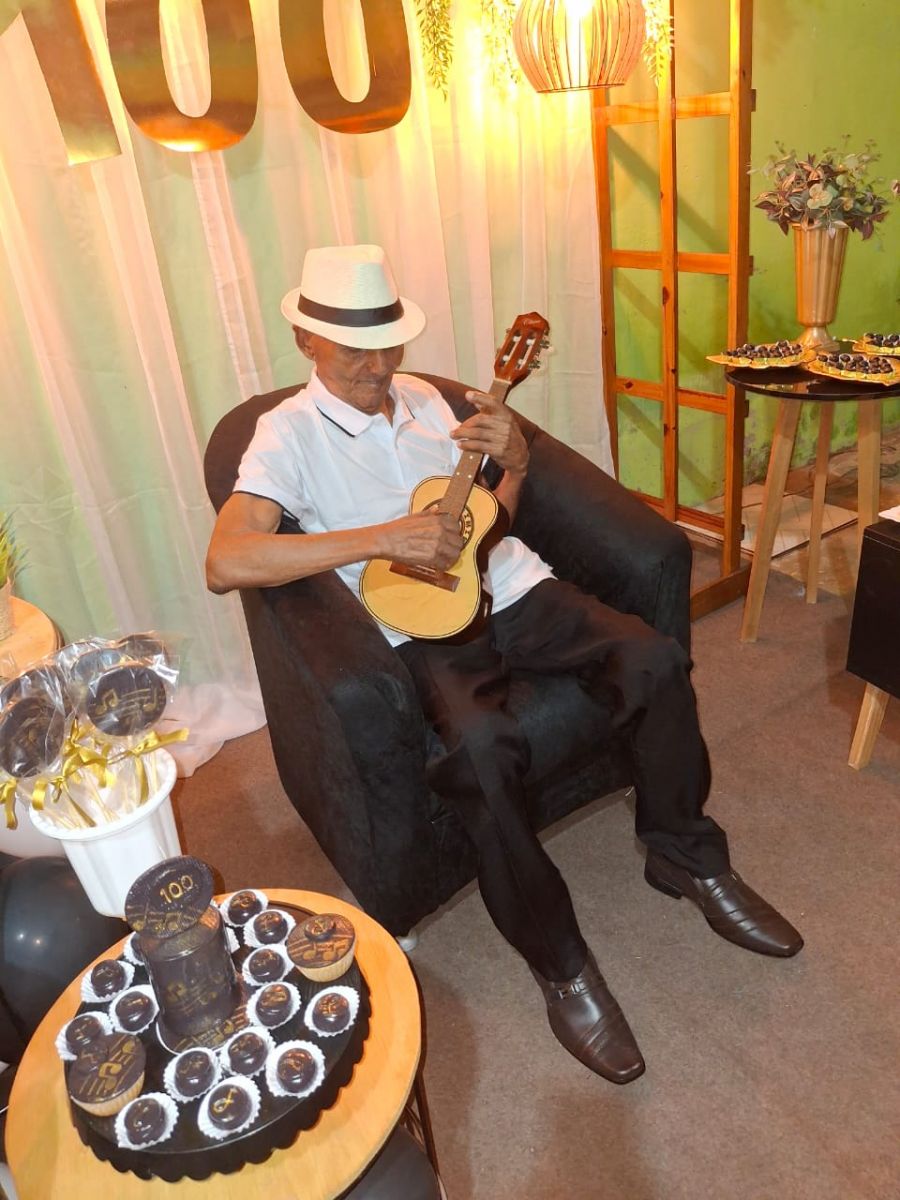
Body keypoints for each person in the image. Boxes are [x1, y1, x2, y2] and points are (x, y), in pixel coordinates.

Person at [206, 244, 803, 1085]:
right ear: (308, 341)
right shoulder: (286, 435)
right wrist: (382, 538)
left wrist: (515, 464)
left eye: (387, 346)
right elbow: (227, 560)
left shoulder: (427, 399)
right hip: (421, 629)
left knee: (655, 660)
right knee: (483, 753)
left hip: (513, 588)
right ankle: (561, 963)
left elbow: (489, 521)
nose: (378, 368)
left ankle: (685, 853)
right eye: (354, 352)